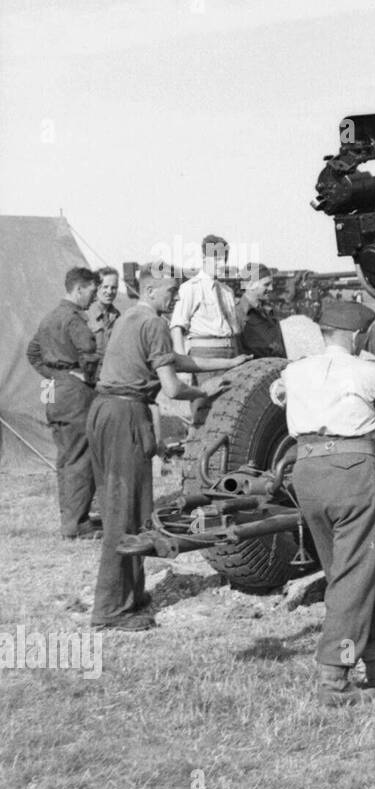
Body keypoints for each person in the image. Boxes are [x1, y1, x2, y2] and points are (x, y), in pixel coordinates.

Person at [88, 269, 245, 631]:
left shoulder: (130, 317)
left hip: (104, 411)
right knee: (124, 515)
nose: (174, 298)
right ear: (151, 289)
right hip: (125, 414)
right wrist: (206, 391)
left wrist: (227, 364)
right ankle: (111, 609)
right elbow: (173, 388)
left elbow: (175, 360)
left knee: (122, 508)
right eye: (171, 292)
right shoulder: (154, 322)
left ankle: (129, 595)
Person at [270, 298, 375, 707]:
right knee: (354, 574)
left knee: (346, 573)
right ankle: (334, 679)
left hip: (307, 475)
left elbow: (277, 393)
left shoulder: (293, 372)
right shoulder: (370, 371)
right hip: (353, 476)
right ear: (355, 336)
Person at [25, 266, 100, 539]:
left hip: (52, 389)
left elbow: (33, 352)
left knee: (65, 456)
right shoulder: (73, 319)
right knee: (81, 455)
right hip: (74, 392)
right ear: (78, 289)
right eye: (91, 291)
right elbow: (90, 355)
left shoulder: (48, 318)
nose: (93, 297)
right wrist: (85, 377)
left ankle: (69, 515)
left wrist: (54, 374)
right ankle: (76, 524)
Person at [170, 235, 241, 416]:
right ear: (204, 259)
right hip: (205, 357)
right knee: (205, 410)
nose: (220, 263)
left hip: (230, 356)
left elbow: (235, 331)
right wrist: (182, 364)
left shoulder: (227, 292)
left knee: (231, 410)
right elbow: (177, 327)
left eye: (223, 259)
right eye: (216, 258)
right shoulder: (190, 288)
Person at [236, 263, 286, 359]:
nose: (271, 288)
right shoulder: (238, 312)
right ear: (250, 285)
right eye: (266, 284)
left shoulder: (268, 312)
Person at [86, 267, 121, 360]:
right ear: (96, 287)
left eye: (113, 288)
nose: (109, 292)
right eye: (105, 287)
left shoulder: (118, 316)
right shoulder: (86, 314)